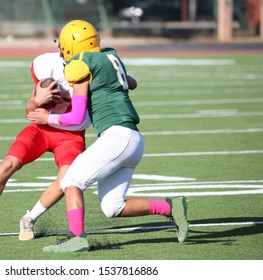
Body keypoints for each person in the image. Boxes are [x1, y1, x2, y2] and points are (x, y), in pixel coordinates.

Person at [27, 19, 189, 252]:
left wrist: (47, 119)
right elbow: (132, 82)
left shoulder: (79, 64)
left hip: (117, 136)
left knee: (71, 180)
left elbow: (75, 117)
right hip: (133, 140)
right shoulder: (110, 56)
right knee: (112, 207)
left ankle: (77, 238)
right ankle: (170, 207)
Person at [0, 51, 90, 241]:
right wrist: (36, 101)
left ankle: (29, 218)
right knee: (8, 164)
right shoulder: (47, 64)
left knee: (66, 180)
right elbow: (29, 111)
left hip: (71, 135)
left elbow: (79, 115)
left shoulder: (92, 69)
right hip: (41, 129)